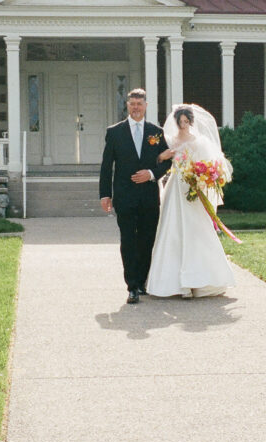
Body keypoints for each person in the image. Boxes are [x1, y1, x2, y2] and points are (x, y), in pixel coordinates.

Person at [147, 104, 235, 299]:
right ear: (176, 123)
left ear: (191, 122)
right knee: (172, 228)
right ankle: (174, 283)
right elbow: (161, 158)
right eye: (180, 122)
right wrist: (162, 156)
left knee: (196, 229)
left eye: (186, 122)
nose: (183, 125)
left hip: (192, 186)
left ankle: (200, 279)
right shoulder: (171, 140)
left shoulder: (199, 141)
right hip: (175, 186)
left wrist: (200, 177)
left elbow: (209, 162)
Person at [99, 88, 171, 304]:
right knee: (128, 239)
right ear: (127, 106)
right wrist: (105, 195)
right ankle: (131, 286)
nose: (136, 107)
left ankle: (142, 282)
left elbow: (167, 160)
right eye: (132, 104)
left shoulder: (156, 132)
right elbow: (106, 165)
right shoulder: (115, 132)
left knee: (147, 238)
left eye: (140, 104)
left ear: (146, 106)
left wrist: (151, 174)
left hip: (149, 195)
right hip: (125, 195)